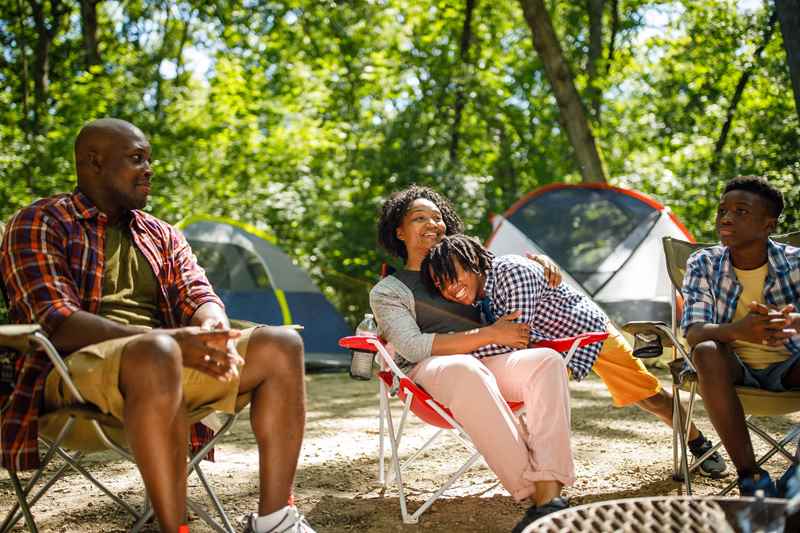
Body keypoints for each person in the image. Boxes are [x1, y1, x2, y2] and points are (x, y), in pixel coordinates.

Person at [0, 118, 314, 533]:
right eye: (136, 159)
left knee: (280, 343)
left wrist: (211, 326)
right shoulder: (41, 221)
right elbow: (55, 321)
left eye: (149, 159)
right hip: (72, 374)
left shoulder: (160, 234)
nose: (149, 169)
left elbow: (198, 294)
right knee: (158, 351)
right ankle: (177, 529)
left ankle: (275, 520)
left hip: (169, 365)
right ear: (94, 162)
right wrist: (168, 340)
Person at [371, 185, 580, 531]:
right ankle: (531, 490)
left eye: (437, 217)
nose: (432, 224)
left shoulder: (466, 262)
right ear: (399, 231)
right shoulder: (389, 290)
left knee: (546, 362)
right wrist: (488, 334)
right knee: (465, 368)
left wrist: (539, 264)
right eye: (419, 218)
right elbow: (411, 346)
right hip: (432, 371)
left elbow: (509, 273)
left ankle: (549, 496)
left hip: (490, 359)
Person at [681, 175, 799, 496]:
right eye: (722, 210)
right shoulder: (703, 262)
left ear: (768, 225)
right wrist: (739, 331)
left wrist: (794, 324)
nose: (727, 217)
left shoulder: (795, 262)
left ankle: (797, 476)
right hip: (731, 371)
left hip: (791, 365)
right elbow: (693, 331)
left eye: (741, 211)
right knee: (705, 349)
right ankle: (751, 476)